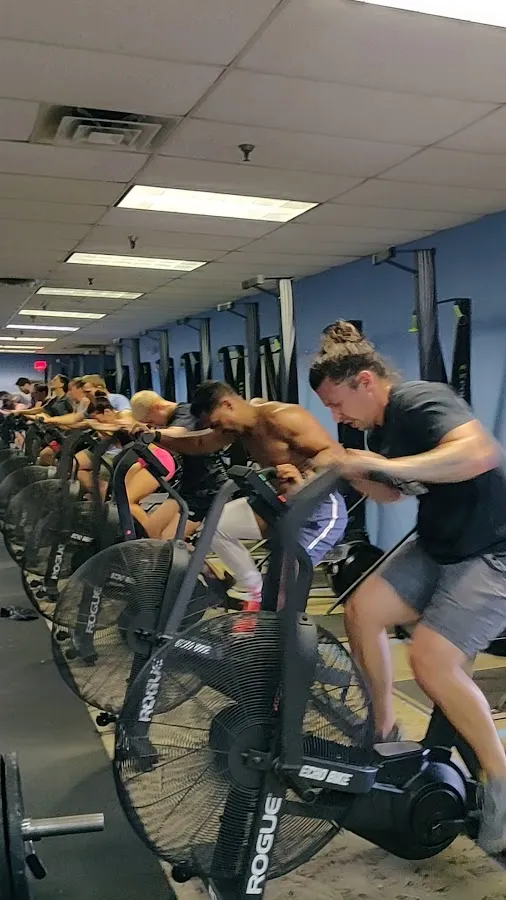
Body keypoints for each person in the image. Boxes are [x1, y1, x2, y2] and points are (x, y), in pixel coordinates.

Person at [309, 319, 506, 857]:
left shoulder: (419, 400)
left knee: (431, 662)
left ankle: (500, 781)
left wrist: (377, 461)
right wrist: (348, 468)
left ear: (365, 381)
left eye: (337, 404)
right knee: (363, 610)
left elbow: (479, 454)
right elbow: (392, 494)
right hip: (442, 542)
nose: (337, 416)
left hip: (492, 549)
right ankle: (383, 732)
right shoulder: (378, 428)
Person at [137, 382, 352, 611]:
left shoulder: (283, 417)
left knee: (287, 573)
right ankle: (256, 595)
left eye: (216, 423)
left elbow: (335, 453)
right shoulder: (237, 428)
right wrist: (155, 436)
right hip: (279, 501)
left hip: (319, 508)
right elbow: (199, 442)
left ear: (227, 404)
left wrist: (305, 473)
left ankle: (284, 629)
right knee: (217, 525)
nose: (217, 429)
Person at [130, 390, 229, 542]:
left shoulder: (186, 413)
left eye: (151, 420)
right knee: (150, 531)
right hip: (188, 485)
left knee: (169, 541)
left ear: (157, 407)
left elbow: (179, 433)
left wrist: (153, 433)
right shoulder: (173, 418)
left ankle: (191, 556)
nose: (154, 425)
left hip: (207, 487)